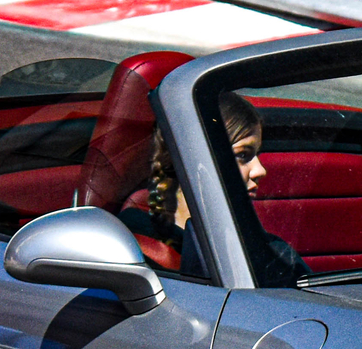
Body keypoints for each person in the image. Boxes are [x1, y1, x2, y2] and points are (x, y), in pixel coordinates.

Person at [122, 91, 306, 280]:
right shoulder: (133, 245)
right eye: (243, 155)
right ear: (193, 158)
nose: (260, 170)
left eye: (257, 154)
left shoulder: (272, 252)